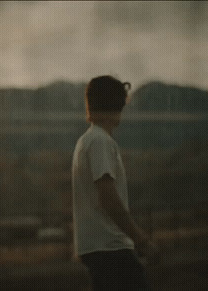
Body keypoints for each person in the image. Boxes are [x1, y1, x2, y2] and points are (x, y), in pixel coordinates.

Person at [72, 75, 160, 290]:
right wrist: (141, 240)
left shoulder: (86, 141)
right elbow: (107, 196)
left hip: (98, 249)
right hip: (111, 249)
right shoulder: (101, 141)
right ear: (117, 105)